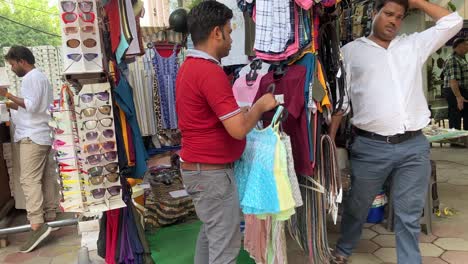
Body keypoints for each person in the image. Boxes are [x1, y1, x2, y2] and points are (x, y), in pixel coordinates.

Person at [328, 0, 463, 263]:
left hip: (413, 146)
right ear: (374, 13)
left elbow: (453, 22)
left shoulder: (413, 45)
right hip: (370, 147)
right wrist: (331, 142)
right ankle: (344, 248)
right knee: (358, 204)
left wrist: (417, 2)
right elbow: (341, 103)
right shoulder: (350, 52)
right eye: (388, 14)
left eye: (399, 17)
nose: (393, 21)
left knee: (408, 212)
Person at [175, 1, 278, 263]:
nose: (232, 39)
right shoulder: (209, 71)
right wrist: (259, 106)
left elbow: (215, 118)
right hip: (211, 175)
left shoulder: (190, 67)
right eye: (230, 32)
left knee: (212, 236)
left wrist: (241, 112)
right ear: (216, 33)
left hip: (201, 171)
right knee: (225, 250)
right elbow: (238, 130)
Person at [1, 46, 57, 253]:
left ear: (22, 61)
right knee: (44, 177)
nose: (13, 68)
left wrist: (7, 94)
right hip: (40, 133)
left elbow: (32, 106)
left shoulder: (31, 78)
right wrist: (10, 103)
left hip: (32, 136)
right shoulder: (40, 77)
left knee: (29, 179)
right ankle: (50, 214)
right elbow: (34, 107)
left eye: (13, 64)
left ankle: (36, 224)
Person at [442, 37, 468, 130]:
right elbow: (453, 80)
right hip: (454, 91)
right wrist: (458, 96)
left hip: (461, 90)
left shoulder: (461, 58)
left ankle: (465, 138)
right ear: (460, 46)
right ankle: (456, 141)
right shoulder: (453, 59)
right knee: (455, 114)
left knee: (466, 114)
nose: (467, 47)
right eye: (466, 45)